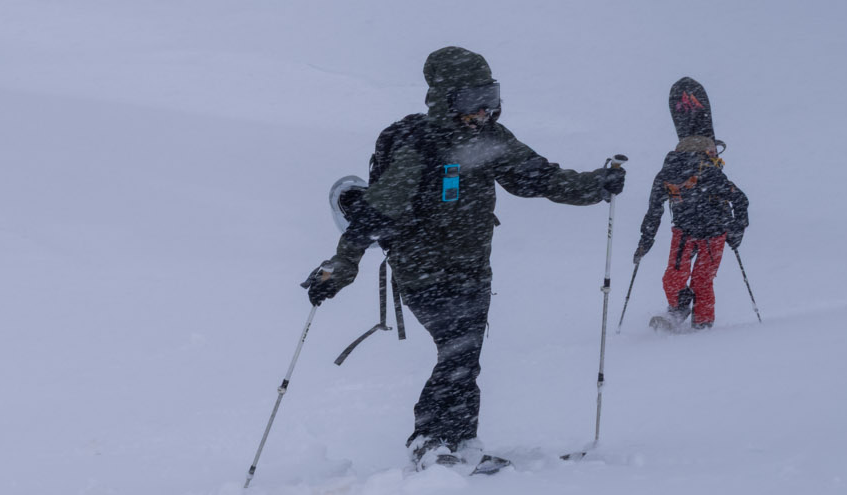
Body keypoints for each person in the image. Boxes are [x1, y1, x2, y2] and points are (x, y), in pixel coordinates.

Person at [305, 48, 625, 469]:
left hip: (472, 267)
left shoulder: (491, 139)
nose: (482, 110)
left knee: (465, 356)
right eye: (470, 99)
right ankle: (427, 441)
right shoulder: (419, 145)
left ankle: (460, 444)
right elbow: (375, 213)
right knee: (458, 349)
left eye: (489, 97)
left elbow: (538, 178)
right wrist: (340, 268)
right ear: (444, 100)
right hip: (421, 267)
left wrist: (595, 185)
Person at [632, 77, 749, 332]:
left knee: (701, 281)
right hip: (685, 231)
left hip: (714, 231)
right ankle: (680, 309)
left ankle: (703, 328)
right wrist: (646, 240)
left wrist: (737, 228)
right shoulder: (673, 174)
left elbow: (740, 199)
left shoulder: (697, 174)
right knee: (674, 279)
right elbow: (654, 211)